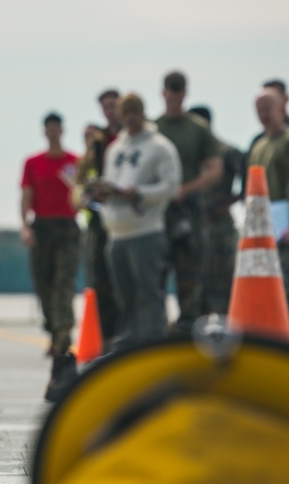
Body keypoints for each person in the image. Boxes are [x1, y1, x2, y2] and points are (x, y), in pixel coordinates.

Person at [90, 93, 181, 347]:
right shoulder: (115, 148)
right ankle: (129, 341)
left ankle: (152, 339)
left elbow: (171, 187)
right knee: (124, 293)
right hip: (116, 232)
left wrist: (139, 193)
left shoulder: (160, 146)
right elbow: (111, 180)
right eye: (125, 112)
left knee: (148, 290)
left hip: (146, 230)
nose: (129, 117)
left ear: (143, 113)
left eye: (134, 111)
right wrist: (102, 193)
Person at [247, 89, 289, 350]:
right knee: (266, 295)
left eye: (268, 107)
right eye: (259, 109)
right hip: (264, 233)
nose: (263, 114)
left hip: (288, 230)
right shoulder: (259, 145)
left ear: (283, 107)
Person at [154, 72, 221, 332]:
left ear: (185, 93)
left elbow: (214, 170)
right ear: (163, 92)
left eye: (179, 90)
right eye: (170, 89)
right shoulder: (153, 129)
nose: (174, 95)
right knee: (155, 274)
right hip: (159, 212)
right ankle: (156, 331)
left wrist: (185, 189)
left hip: (190, 210)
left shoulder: (197, 129)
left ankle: (186, 329)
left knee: (191, 274)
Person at [21, 114, 81, 390]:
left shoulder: (75, 162)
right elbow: (27, 196)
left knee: (63, 284)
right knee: (45, 286)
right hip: (42, 228)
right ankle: (54, 329)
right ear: (45, 132)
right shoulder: (34, 163)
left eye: (57, 129)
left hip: (67, 229)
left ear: (62, 131)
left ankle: (63, 337)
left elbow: (83, 196)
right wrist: (25, 227)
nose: (54, 133)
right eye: (50, 129)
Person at [74, 88, 121, 343]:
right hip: (100, 221)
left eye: (114, 105)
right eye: (106, 107)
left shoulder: (131, 136)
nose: (110, 111)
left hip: (127, 219)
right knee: (99, 281)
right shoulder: (99, 141)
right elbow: (81, 176)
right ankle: (107, 338)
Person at [188, 105, 243, 317]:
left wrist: (226, 204)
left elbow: (250, 182)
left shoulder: (226, 151)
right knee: (196, 283)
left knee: (223, 283)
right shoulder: (190, 153)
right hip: (195, 226)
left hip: (220, 227)